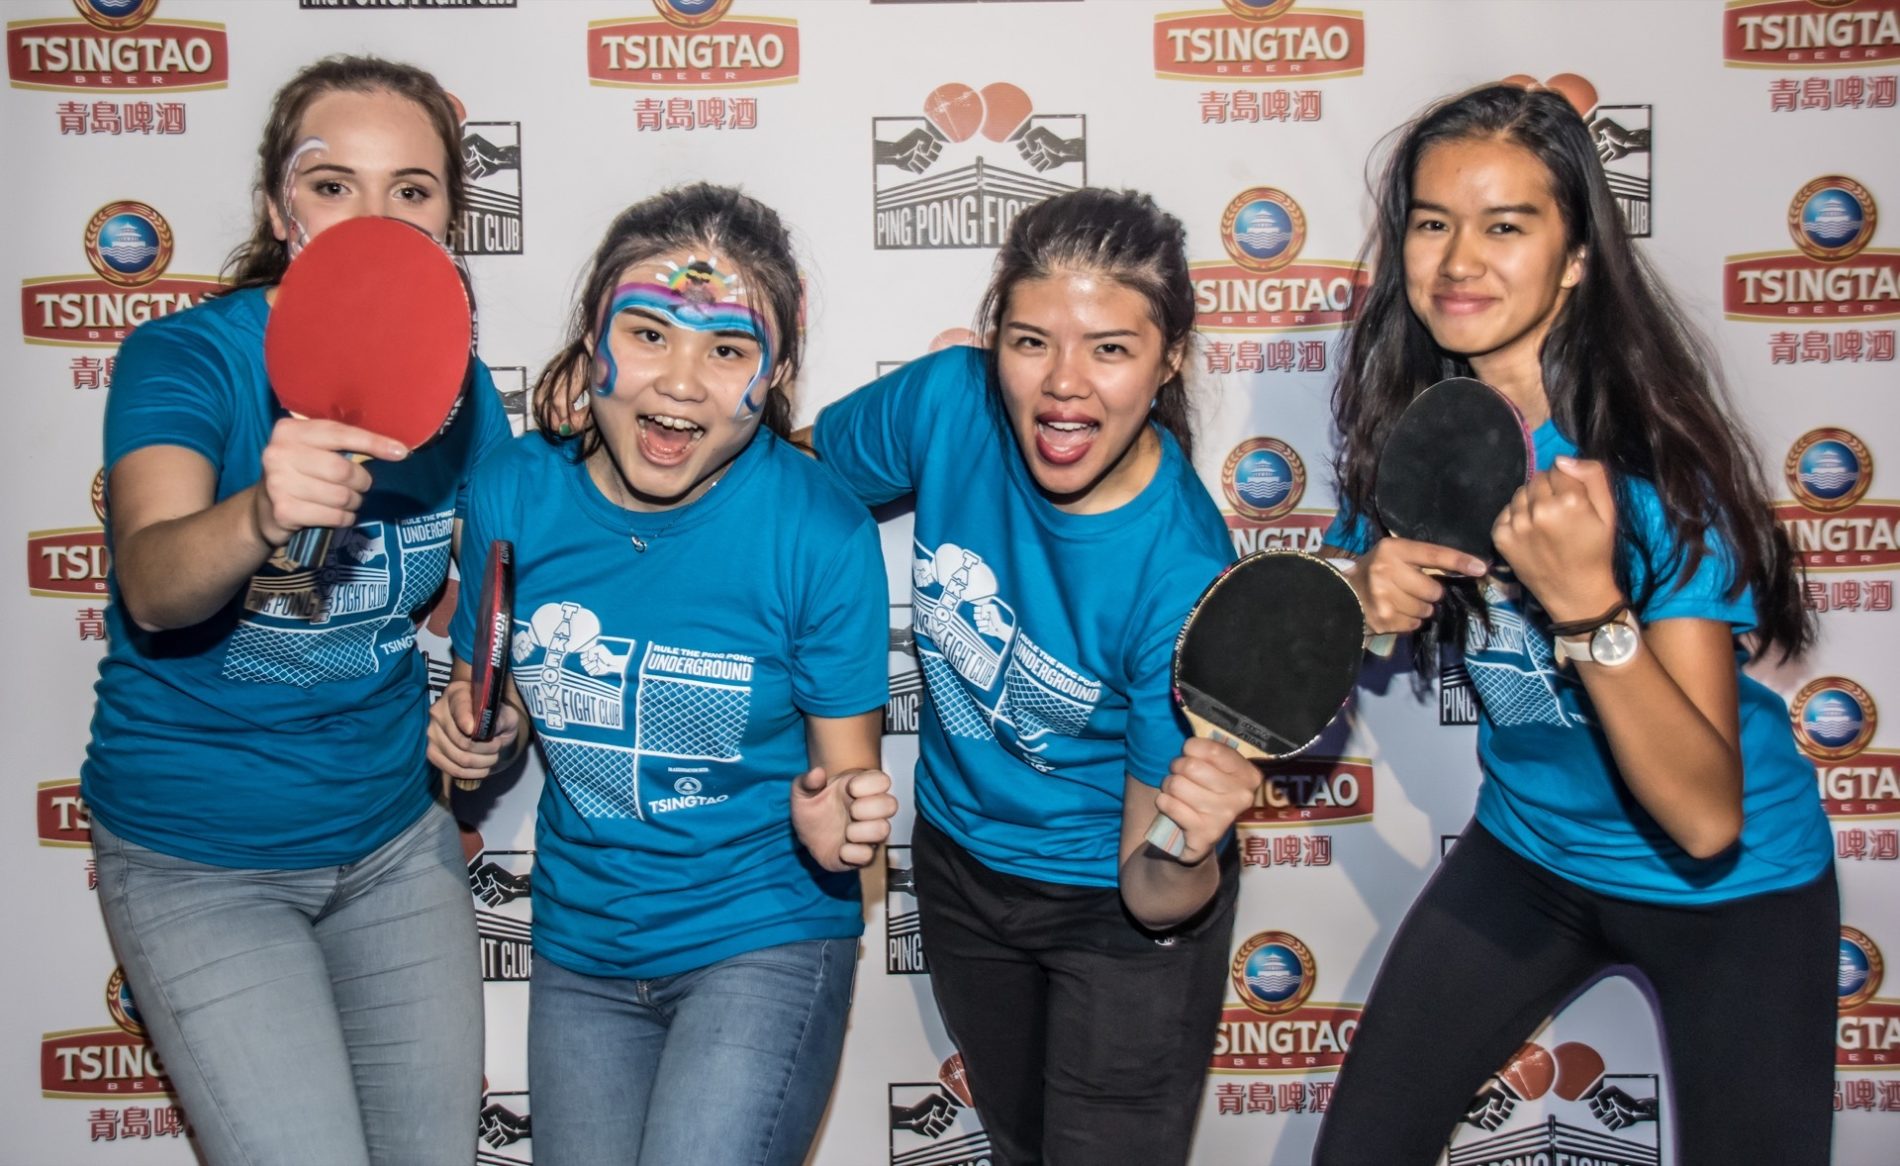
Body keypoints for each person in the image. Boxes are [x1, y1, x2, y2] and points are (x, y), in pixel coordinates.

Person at [1311, 84, 1835, 1165]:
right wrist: (1357, 596)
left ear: (1577, 257)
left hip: (1728, 893)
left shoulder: (1649, 472)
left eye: (1505, 226)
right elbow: (1311, 637)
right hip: (1530, 852)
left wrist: (1590, 607)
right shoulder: (1418, 430)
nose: (1459, 261)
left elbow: (1705, 817)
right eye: (1432, 222)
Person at [81, 55, 510, 1166]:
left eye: (410, 189)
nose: (372, 219)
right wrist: (261, 511)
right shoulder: (187, 358)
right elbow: (153, 582)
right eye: (332, 185)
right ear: (280, 209)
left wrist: (487, 706)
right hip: (198, 858)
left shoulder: (461, 390)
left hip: (392, 844)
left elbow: (502, 589)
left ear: (450, 218)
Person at [427, 183, 896, 1166]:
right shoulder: (513, 489)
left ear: (775, 372)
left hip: (762, 934)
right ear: (592, 334)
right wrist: (485, 730)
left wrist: (841, 823)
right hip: (582, 943)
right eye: (647, 334)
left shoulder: (819, 530)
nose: (681, 383)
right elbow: (496, 692)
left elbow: (847, 779)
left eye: (727, 349)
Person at [808, 188, 1262, 1165]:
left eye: (1110, 348)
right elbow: (785, 485)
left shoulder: (1184, 575)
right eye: (1029, 342)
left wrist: (1191, 840)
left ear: (1169, 359)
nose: (1063, 385)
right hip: (961, 869)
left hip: (1115, 911)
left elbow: (1155, 893)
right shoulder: (947, 402)